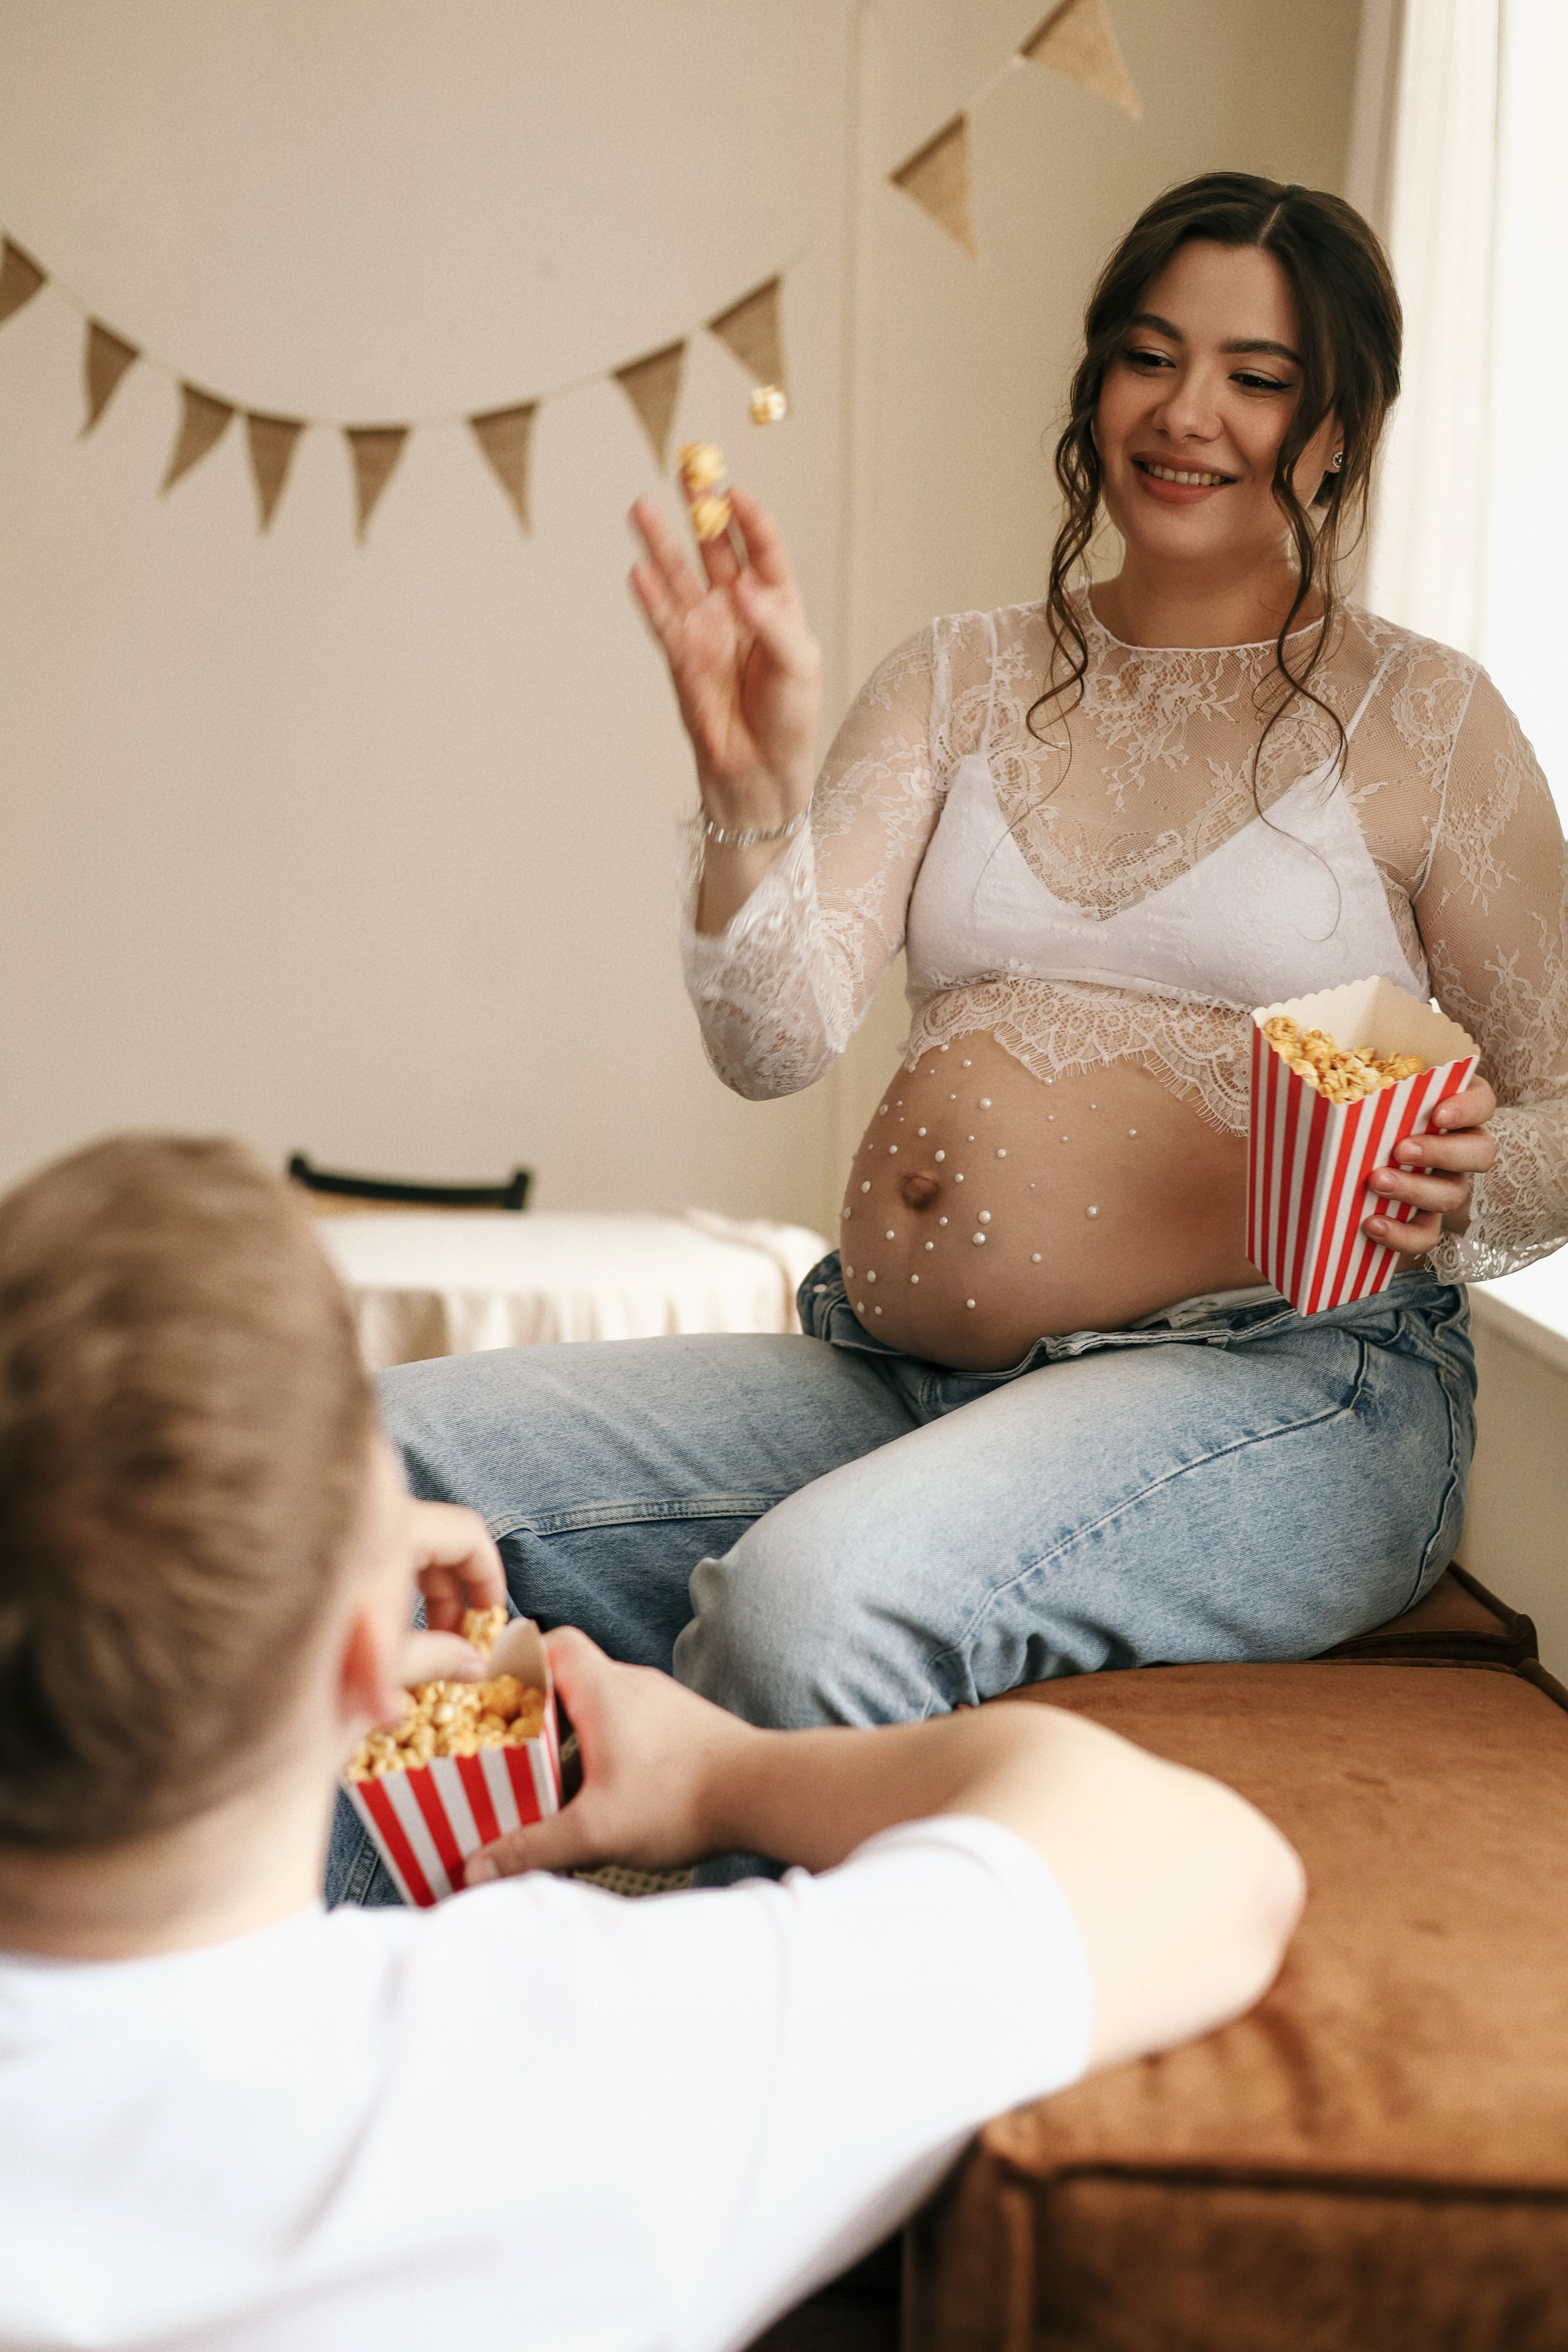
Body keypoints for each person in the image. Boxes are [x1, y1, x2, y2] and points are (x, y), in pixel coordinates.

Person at [336, 170, 1566, 1906]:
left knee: (800, 1614)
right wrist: (747, 788)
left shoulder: (1426, 720)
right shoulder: (958, 678)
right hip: (896, 1372)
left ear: (1342, 419)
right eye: (1147, 355)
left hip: (1293, 1381)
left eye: (1256, 374)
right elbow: (778, 1038)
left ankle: (708, 2124)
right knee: (359, 1460)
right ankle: (297, 2041)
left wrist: (1467, 1172)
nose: (1186, 410)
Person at [0, 1133, 1301, 2348]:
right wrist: (723, 1775)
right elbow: (1207, 1870)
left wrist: (300, 1663)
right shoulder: (567, 2063)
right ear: (361, 1655)